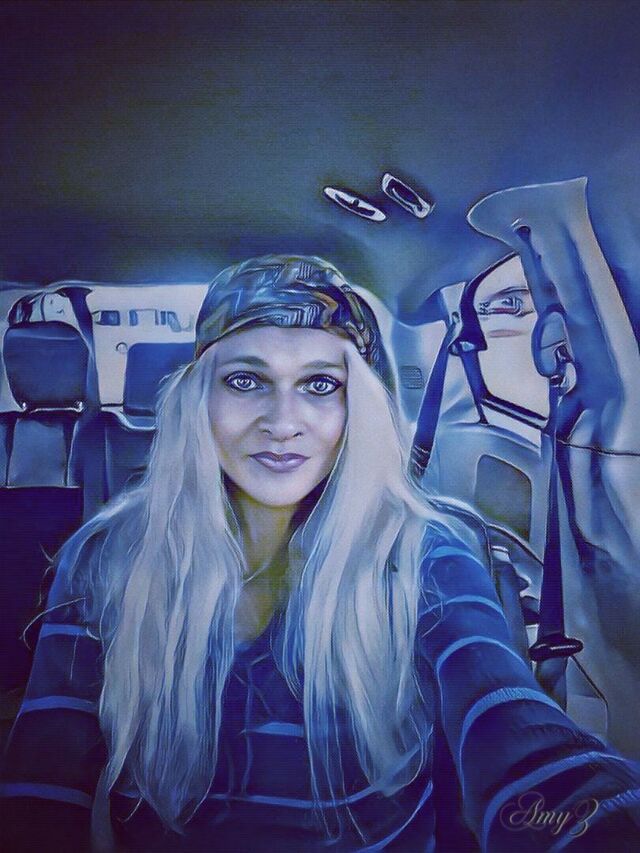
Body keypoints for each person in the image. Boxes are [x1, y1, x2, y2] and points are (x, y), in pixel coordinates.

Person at [1, 255, 640, 852]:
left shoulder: (423, 553)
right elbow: (44, 776)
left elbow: (510, 723)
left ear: (357, 407)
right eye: (246, 380)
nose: (283, 421)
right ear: (200, 400)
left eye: (319, 384)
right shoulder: (110, 556)